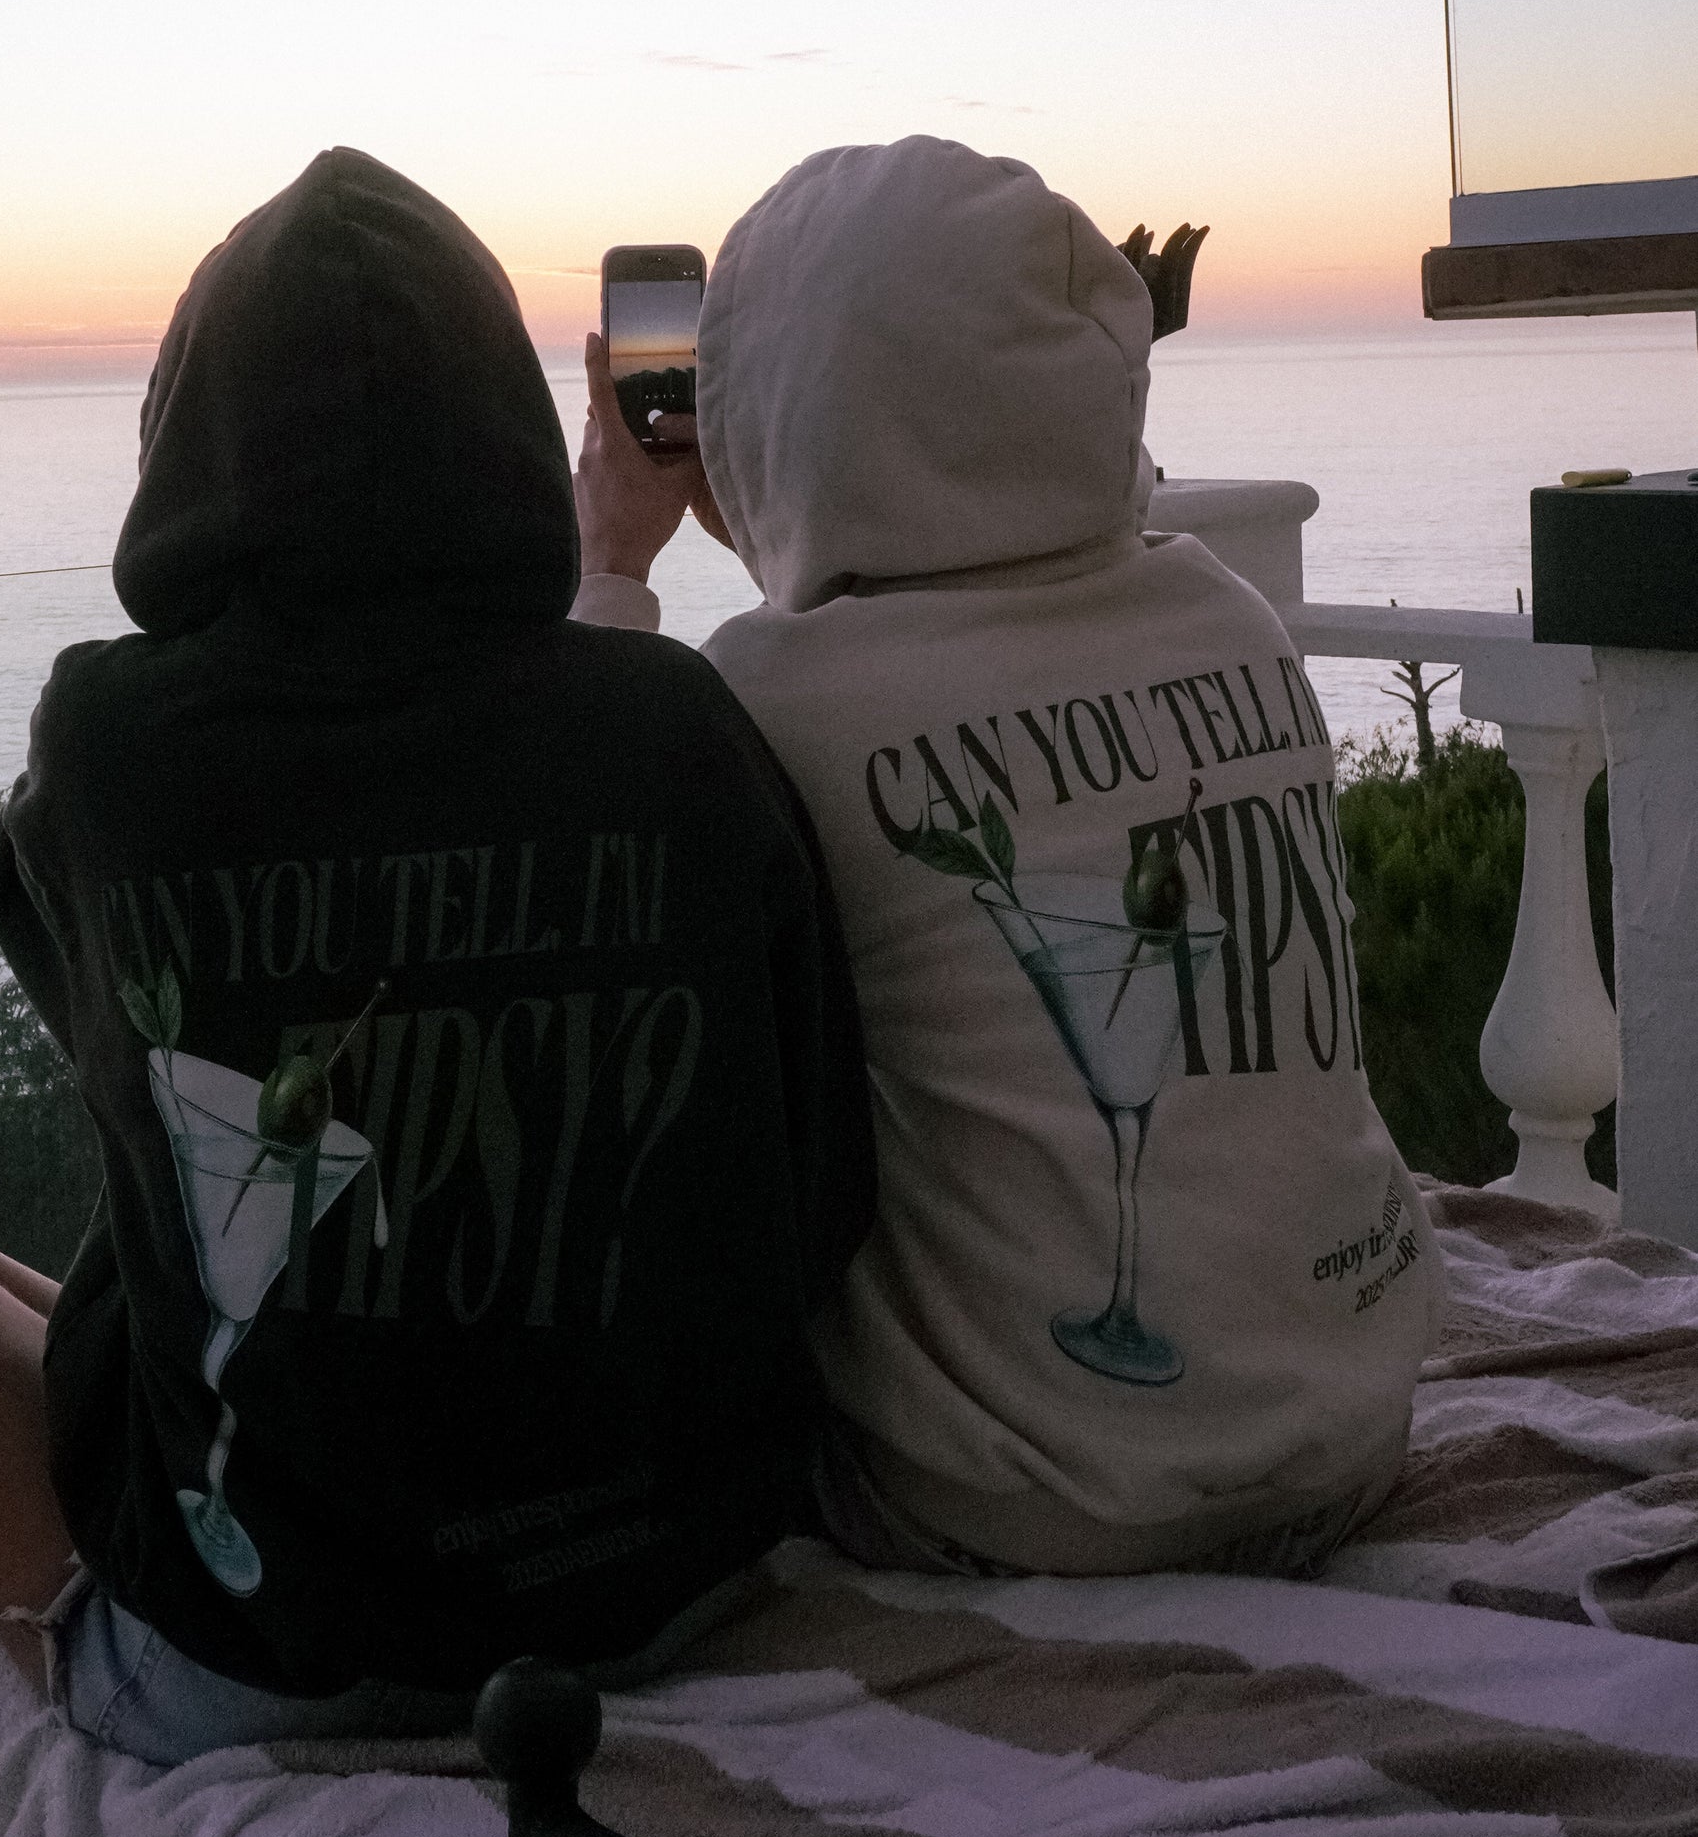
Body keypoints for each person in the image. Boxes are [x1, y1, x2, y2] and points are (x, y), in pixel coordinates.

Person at [0, 147, 874, 1762]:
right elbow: (820, 1183)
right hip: (674, 1587)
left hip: (262, 1656)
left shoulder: (116, 746)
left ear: (185, 442)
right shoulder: (681, 725)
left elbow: (104, 1047)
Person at [574, 133, 1441, 1579]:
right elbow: (934, 632)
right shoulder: (1226, 615)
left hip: (1024, 1504)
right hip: (1352, 1440)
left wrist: (611, 561)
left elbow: (593, 904)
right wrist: (788, 509)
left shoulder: (765, 701)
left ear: (774, 406)